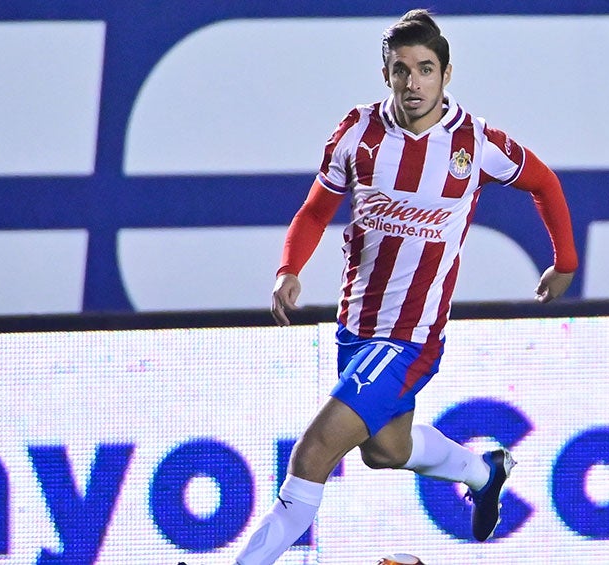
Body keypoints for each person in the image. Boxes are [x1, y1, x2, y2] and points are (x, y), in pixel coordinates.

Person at [233, 9, 577, 564]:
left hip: (410, 338)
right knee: (385, 450)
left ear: (446, 74)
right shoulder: (358, 133)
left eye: (425, 69)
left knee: (312, 454)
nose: (413, 82)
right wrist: (288, 268)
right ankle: (482, 470)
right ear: (386, 74)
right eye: (401, 70)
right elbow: (316, 210)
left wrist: (565, 262)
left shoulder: (475, 142)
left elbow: (545, 183)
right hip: (356, 330)